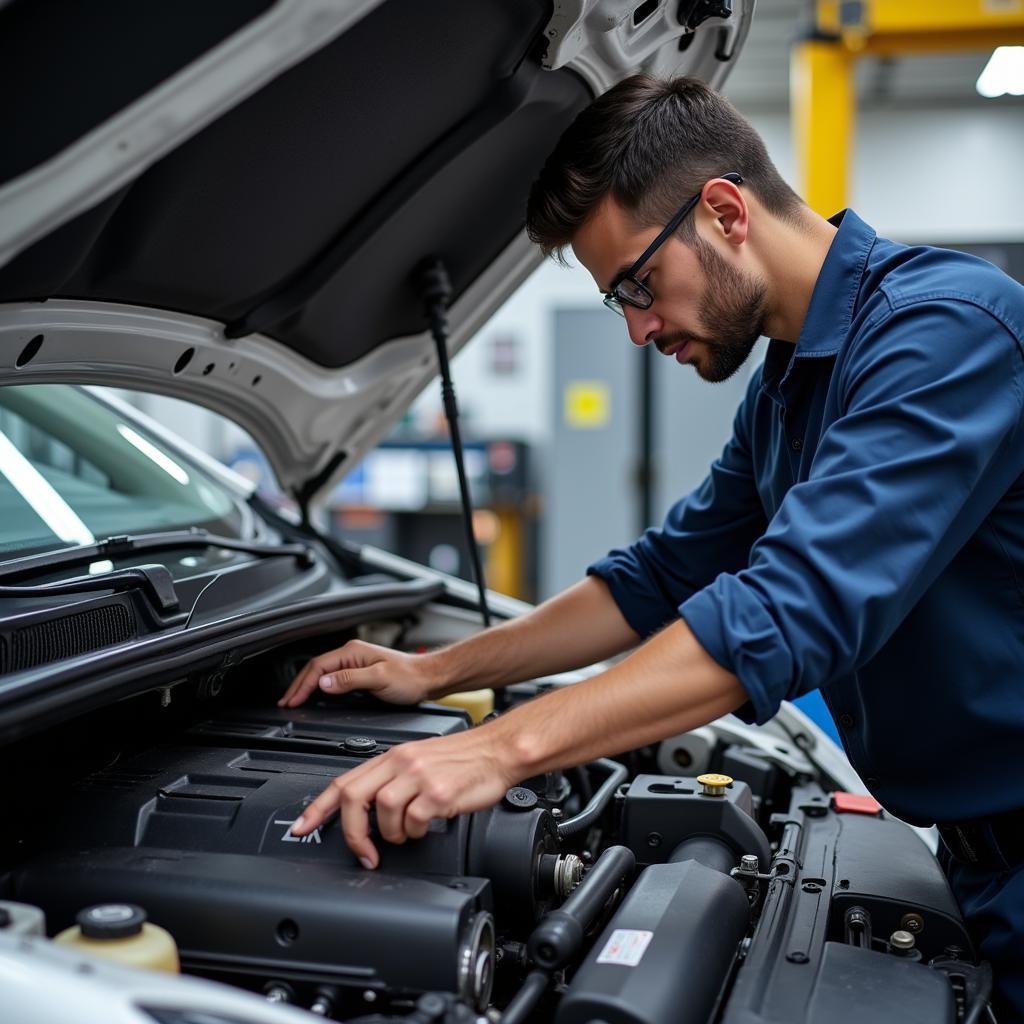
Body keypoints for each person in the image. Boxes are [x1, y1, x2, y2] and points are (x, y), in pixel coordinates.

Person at [284, 75, 1024, 1019]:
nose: (636, 329)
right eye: (616, 304)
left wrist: (499, 753)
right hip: (975, 858)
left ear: (724, 211)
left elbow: (785, 612)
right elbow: (655, 580)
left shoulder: (948, 331)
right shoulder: (788, 388)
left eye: (637, 284)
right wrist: (434, 672)